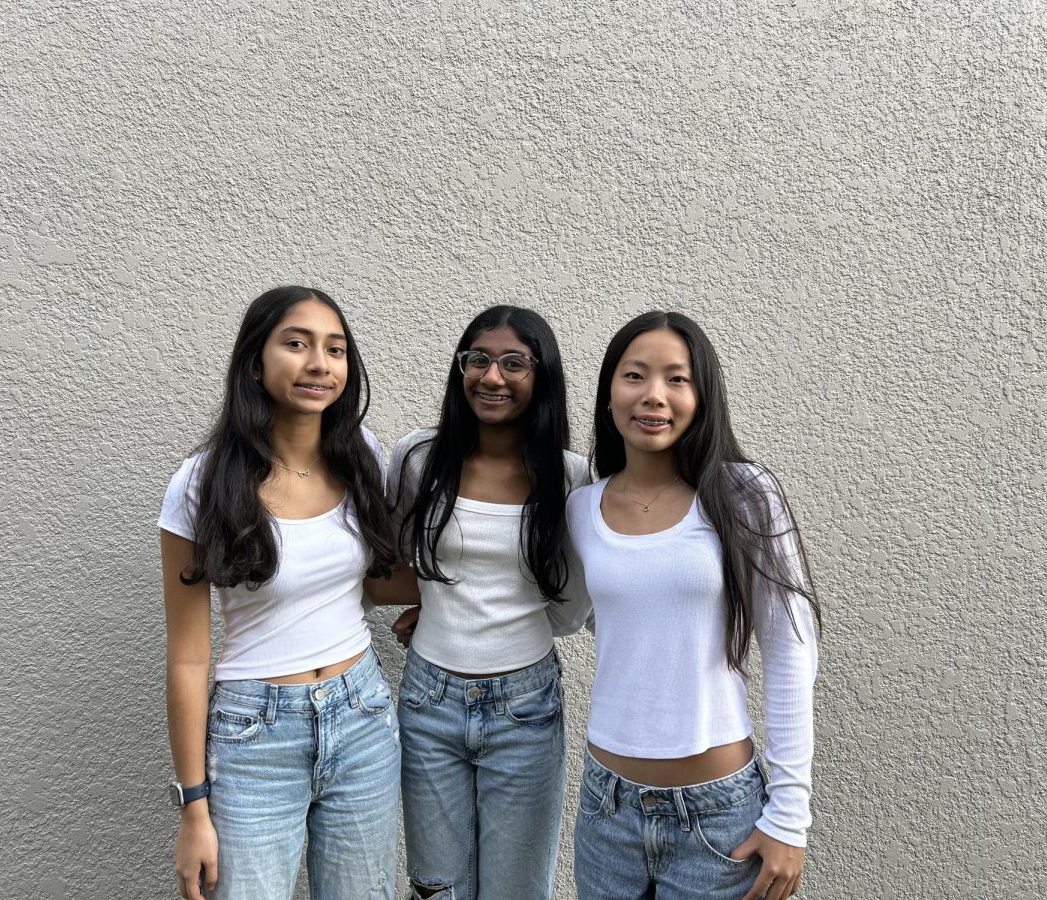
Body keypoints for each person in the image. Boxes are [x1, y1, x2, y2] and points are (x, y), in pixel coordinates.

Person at [158, 286, 414, 900]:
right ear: (255, 362)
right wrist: (194, 807)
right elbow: (189, 657)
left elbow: (373, 584)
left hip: (362, 717)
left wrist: (447, 595)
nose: (318, 364)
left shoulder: (362, 457)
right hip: (255, 733)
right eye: (296, 344)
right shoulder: (202, 483)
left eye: (335, 349)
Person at [566, 311, 821, 900]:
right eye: (635, 376)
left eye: (676, 379)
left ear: (702, 396)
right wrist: (433, 605)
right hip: (606, 810)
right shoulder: (582, 508)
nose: (654, 395)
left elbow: (791, 649)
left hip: (719, 815)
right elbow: (566, 612)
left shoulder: (743, 493)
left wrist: (789, 815)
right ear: (609, 393)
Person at [386, 305, 590, 900]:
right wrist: (440, 601)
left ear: (541, 374)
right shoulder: (418, 458)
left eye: (513, 363)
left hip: (525, 706)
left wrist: (495, 616)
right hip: (428, 701)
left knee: (517, 890)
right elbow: (401, 557)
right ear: (460, 368)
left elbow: (570, 607)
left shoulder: (569, 476)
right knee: (436, 887)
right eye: (477, 359)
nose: (491, 377)